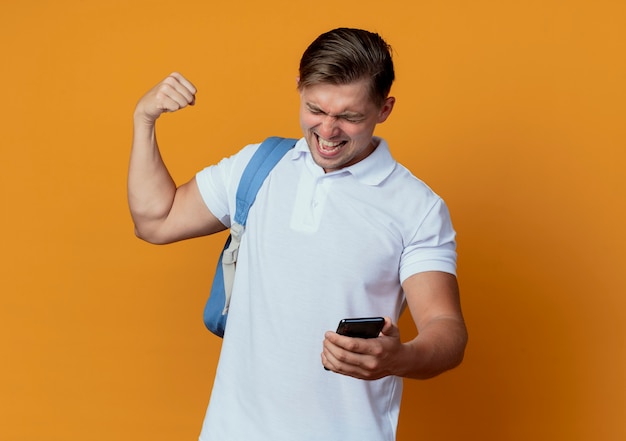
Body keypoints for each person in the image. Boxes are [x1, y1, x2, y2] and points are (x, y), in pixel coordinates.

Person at [128, 27, 467, 441]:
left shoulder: (416, 207)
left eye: (349, 116)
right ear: (299, 89)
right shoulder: (258, 166)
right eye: (315, 109)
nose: (327, 130)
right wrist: (144, 120)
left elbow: (446, 326)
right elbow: (155, 221)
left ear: (384, 109)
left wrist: (401, 357)